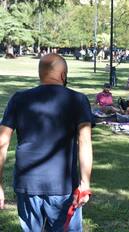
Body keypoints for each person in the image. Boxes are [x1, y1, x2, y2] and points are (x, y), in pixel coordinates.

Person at [0, 53, 93, 231]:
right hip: (63, 187)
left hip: (26, 184)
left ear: (40, 74)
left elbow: (2, 142)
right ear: (63, 75)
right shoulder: (78, 100)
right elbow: (85, 142)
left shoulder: (18, 99)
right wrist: (85, 184)